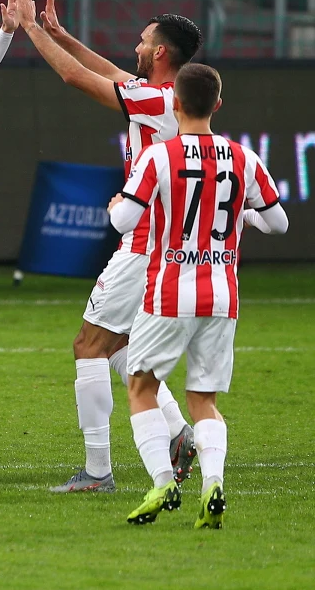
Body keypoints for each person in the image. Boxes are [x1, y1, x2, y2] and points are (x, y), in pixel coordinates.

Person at [12, 0, 206, 493]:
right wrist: (60, 31)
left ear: (161, 52)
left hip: (144, 245)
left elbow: (79, 79)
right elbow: (109, 71)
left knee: (88, 346)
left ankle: (98, 470)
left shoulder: (155, 100)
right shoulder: (170, 96)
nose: (136, 48)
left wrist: (31, 28)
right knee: (121, 348)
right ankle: (179, 432)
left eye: (144, 42)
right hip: (170, 250)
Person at [109, 63, 287, 526]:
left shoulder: (158, 157)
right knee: (203, 399)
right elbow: (278, 222)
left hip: (169, 292)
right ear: (218, 105)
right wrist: (244, 217)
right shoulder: (244, 157)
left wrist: (115, 208)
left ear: (176, 103)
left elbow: (125, 222)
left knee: (140, 386)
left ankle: (164, 481)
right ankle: (212, 484)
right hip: (222, 295)